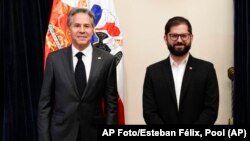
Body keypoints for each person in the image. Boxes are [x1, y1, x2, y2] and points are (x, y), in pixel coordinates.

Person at [37, 8, 118, 141]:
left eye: (87, 26)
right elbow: (45, 105)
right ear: (69, 29)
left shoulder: (107, 60)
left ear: (93, 29)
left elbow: (111, 106)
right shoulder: (54, 60)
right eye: (77, 25)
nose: (82, 30)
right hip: (60, 134)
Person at [143, 16, 219, 124]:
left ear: (191, 37)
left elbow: (211, 111)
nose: (179, 40)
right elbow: (149, 112)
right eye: (174, 36)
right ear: (165, 38)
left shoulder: (206, 69)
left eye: (184, 35)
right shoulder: (153, 72)